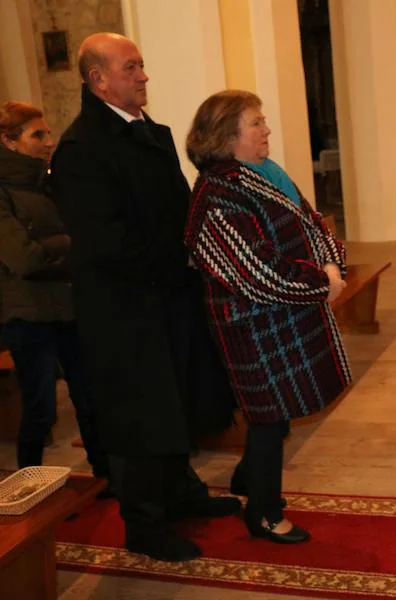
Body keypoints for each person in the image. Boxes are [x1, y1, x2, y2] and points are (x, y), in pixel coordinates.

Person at [51, 33, 240, 562]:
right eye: (132, 67)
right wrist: (177, 258)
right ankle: (144, 522)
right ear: (99, 79)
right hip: (124, 309)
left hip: (167, 297)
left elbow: (174, 210)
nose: (144, 76)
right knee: (138, 413)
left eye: (142, 66)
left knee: (173, 399)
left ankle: (181, 493)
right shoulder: (82, 148)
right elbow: (105, 240)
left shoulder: (149, 134)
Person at [184, 90, 352, 544]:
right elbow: (257, 271)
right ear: (227, 135)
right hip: (253, 326)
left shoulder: (261, 174)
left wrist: (332, 263)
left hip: (281, 318)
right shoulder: (217, 196)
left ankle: (249, 480)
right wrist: (322, 281)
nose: (267, 129)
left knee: (272, 419)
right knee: (267, 417)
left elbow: (311, 222)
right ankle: (262, 512)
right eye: (256, 122)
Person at [0, 101, 107, 478]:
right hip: (27, 314)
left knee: (89, 396)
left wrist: (63, 247)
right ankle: (27, 486)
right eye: (37, 134)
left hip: (67, 304)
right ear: (9, 142)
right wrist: (67, 243)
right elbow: (23, 259)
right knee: (41, 408)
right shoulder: (4, 192)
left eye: (48, 132)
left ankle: (105, 475)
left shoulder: (46, 183)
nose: (49, 141)